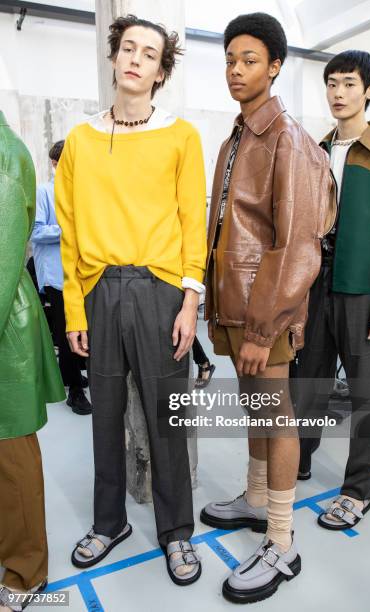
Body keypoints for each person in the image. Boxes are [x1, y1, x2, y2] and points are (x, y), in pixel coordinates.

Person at [55, 15, 206, 585]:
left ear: (161, 69)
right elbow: (69, 232)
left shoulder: (181, 136)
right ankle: (108, 521)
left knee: (168, 417)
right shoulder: (81, 141)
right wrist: (74, 308)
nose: (136, 59)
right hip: (99, 291)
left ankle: (177, 533)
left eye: (150, 53)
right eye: (128, 48)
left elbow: (195, 223)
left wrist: (190, 302)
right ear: (114, 57)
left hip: (162, 290)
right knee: (106, 416)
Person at [200, 13, 332, 604]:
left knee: (276, 416)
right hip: (234, 306)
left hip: (266, 312)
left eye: (249, 59)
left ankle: (282, 541)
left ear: (274, 67)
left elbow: (296, 245)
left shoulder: (290, 140)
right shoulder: (236, 137)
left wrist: (263, 326)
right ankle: (256, 500)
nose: (236, 69)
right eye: (230, 59)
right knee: (254, 407)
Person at [296, 50, 370, 529]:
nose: (338, 93)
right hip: (316, 288)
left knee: (365, 394)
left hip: (363, 292)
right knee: (308, 382)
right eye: (332, 84)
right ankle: (297, 458)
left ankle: (359, 490)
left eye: (348, 84)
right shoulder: (315, 150)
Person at [0, 111, 65, 611]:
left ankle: (25, 575)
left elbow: (1, 262)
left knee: (11, 454)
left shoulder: (5, 156)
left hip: (6, 331)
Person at [31, 140, 91, 415]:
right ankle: (75, 393)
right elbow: (36, 232)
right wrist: (68, 229)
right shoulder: (44, 191)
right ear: (55, 164)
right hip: (57, 274)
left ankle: (74, 378)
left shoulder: (82, 191)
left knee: (84, 329)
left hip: (84, 273)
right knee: (68, 329)